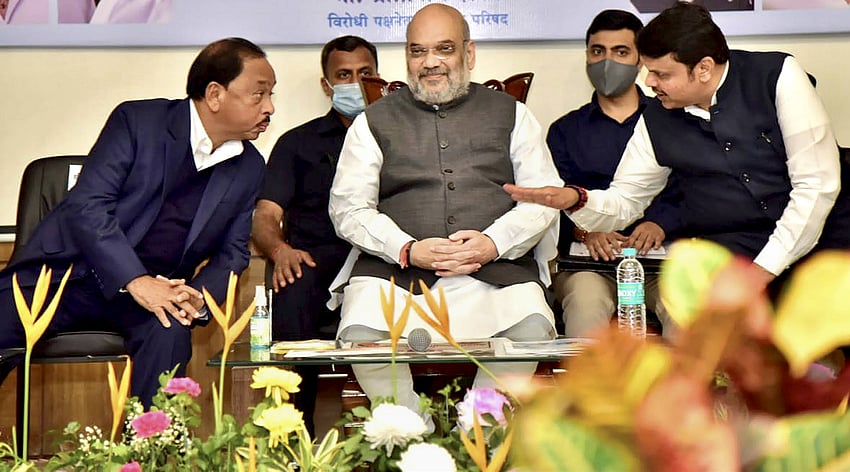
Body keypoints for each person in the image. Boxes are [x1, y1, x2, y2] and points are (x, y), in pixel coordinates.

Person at [505, 2, 850, 311]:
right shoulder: (656, 117)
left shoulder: (778, 76)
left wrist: (762, 272)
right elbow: (627, 198)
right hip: (738, 251)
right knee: (732, 346)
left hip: (836, 237)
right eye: (648, 71)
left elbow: (816, 188)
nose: (649, 83)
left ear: (704, 69)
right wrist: (577, 198)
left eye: (661, 74)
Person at [0, 37, 275, 407]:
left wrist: (194, 297)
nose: (270, 107)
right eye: (258, 95)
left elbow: (233, 252)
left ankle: (147, 451)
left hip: (153, 298)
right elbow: (89, 206)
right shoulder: (139, 122)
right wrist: (134, 279)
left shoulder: (249, 166)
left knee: (171, 331)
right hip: (69, 277)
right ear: (214, 95)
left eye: (271, 95)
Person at [328, 4, 562, 415]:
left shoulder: (513, 115)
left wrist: (492, 243)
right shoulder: (373, 121)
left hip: (493, 274)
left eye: (444, 49)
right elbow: (348, 207)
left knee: (529, 328)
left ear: (468, 54)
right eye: (418, 52)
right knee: (362, 334)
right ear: (407, 57)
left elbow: (543, 198)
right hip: (396, 275)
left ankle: (477, 432)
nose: (430, 63)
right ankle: (407, 432)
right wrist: (406, 248)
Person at [251, 35, 378, 435]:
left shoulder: (403, 136)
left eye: (365, 74)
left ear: (378, 78)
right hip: (314, 260)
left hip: (383, 259)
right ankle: (293, 437)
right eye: (344, 75)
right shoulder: (296, 143)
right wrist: (279, 249)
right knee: (293, 287)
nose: (355, 83)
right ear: (327, 85)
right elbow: (265, 214)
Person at [549, 9, 681, 338]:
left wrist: (659, 223)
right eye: (598, 52)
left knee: (684, 306)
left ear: (640, 61)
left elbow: (690, 189)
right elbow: (552, 200)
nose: (607, 62)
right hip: (590, 264)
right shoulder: (565, 130)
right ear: (587, 57)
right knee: (585, 303)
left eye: (621, 52)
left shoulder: (672, 120)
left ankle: (685, 390)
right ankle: (586, 391)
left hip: (660, 261)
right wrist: (585, 232)